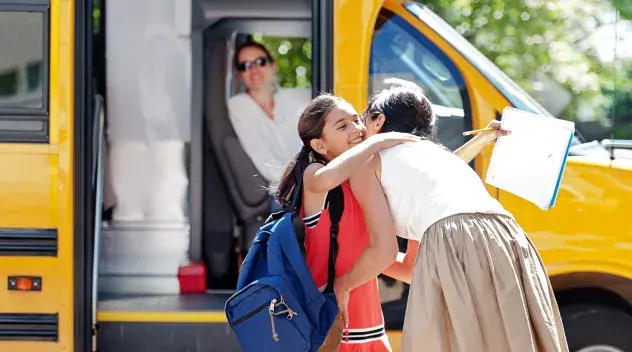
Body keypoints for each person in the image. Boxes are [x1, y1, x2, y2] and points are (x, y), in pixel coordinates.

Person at [334, 85, 569, 352]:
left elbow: (385, 250)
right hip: (510, 237)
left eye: (362, 119)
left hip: (453, 237)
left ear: (379, 120)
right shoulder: (436, 157)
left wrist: (343, 282)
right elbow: (410, 267)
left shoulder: (369, 162)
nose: (359, 129)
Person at [275, 92, 504, 351]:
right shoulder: (315, 176)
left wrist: (482, 141)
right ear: (319, 146)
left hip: (368, 321)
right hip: (326, 318)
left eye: (356, 120)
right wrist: (376, 143)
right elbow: (329, 178)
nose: (357, 128)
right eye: (343, 125)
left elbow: (426, 180)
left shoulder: (364, 179)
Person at [228, 41, 311, 211]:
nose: (254, 70)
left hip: (313, 182)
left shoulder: (298, 98)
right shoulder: (239, 106)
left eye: (260, 62)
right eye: (245, 66)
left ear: (273, 65)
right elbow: (263, 161)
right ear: (239, 74)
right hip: (283, 194)